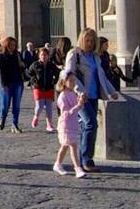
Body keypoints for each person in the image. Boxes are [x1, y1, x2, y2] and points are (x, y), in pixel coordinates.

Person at [65, 30, 122, 172]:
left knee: (87, 126)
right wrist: (80, 91)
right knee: (91, 123)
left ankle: (80, 160)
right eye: (87, 40)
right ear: (81, 40)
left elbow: (101, 77)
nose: (89, 44)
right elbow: (70, 75)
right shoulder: (74, 54)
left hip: (94, 95)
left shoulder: (96, 58)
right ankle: (87, 159)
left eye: (92, 41)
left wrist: (112, 91)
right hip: (79, 97)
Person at [52, 73, 88, 178]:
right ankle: (78, 168)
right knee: (73, 145)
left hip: (73, 124)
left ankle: (57, 164)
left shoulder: (72, 93)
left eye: (74, 81)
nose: (73, 83)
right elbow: (66, 113)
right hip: (65, 125)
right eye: (71, 81)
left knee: (65, 146)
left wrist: (81, 102)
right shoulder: (62, 97)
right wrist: (78, 105)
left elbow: (78, 108)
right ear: (64, 82)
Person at [27, 47, 62, 132]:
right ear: (39, 55)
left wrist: (54, 81)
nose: (43, 56)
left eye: (45, 55)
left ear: (48, 56)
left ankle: (49, 124)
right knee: (40, 106)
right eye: (42, 55)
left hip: (49, 88)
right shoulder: (35, 65)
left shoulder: (51, 65)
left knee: (49, 108)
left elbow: (57, 73)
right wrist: (33, 80)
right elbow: (29, 73)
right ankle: (36, 116)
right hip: (38, 88)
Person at [0, 37, 26, 132]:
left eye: (14, 45)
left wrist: (22, 64)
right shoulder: (1, 56)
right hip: (6, 84)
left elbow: (23, 66)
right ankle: (3, 119)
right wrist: (3, 84)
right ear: (6, 45)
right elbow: (0, 71)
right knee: (5, 105)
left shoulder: (17, 55)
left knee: (16, 105)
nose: (12, 47)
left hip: (18, 82)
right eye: (10, 45)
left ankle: (15, 124)